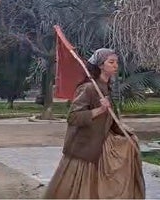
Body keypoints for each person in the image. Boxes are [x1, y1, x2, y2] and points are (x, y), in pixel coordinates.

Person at [44, 48, 145, 199]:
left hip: (102, 140)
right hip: (86, 146)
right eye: (111, 62)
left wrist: (126, 132)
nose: (115, 66)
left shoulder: (107, 87)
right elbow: (73, 117)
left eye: (116, 62)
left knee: (129, 146)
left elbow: (112, 118)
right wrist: (100, 110)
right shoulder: (89, 87)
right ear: (100, 65)